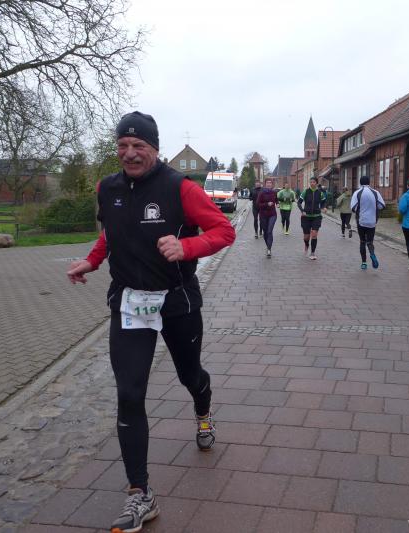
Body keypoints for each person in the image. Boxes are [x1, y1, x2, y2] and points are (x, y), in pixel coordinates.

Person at [66, 112, 235, 533]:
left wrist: (187, 247)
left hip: (176, 300)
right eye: (122, 145)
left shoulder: (181, 188)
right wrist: (91, 261)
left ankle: (203, 409)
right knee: (129, 393)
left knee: (190, 375)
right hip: (130, 303)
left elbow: (223, 231)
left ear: (154, 148)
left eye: (138, 145)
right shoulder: (108, 188)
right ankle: (140, 493)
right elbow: (111, 234)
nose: (129, 153)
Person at [350, 176, 385, 270]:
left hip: (361, 221)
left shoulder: (357, 193)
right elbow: (382, 205)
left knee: (362, 242)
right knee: (370, 241)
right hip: (372, 221)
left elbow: (353, 208)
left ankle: (364, 263)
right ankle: (372, 253)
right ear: (369, 182)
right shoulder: (375, 192)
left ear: (360, 182)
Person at [297, 177, 327, 260]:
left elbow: (323, 201)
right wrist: (302, 211)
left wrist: (324, 207)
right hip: (306, 217)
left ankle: (312, 253)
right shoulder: (305, 192)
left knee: (314, 234)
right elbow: (299, 202)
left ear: (316, 183)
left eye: (313, 182)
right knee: (306, 237)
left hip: (316, 216)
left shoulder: (320, 193)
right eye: (310, 182)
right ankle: (306, 245)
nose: (312, 183)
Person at [256, 177, 278, 257]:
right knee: (265, 232)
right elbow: (258, 204)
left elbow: (276, 199)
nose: (269, 184)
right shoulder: (261, 193)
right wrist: (266, 204)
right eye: (267, 183)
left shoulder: (274, 192)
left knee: (269, 231)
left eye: (270, 183)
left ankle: (269, 249)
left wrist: (277, 203)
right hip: (263, 215)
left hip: (272, 215)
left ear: (272, 184)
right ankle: (268, 245)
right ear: (265, 184)